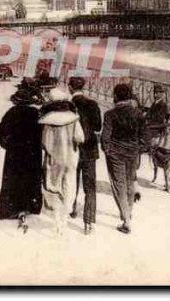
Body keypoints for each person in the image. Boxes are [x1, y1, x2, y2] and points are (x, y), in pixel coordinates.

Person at [0, 87, 44, 231]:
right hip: (32, 154)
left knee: (13, 180)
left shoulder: (11, 113)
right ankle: (30, 206)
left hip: (15, 154)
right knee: (30, 179)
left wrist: (9, 146)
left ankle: (11, 209)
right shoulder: (37, 114)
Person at [39, 88, 84, 235]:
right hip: (70, 158)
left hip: (54, 159)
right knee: (69, 186)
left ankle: (57, 220)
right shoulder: (73, 118)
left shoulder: (48, 120)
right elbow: (80, 138)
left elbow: (45, 143)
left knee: (53, 187)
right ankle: (65, 218)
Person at [102, 83, 145, 235]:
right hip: (132, 152)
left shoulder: (110, 114)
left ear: (115, 96)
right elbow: (144, 136)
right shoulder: (138, 114)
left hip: (116, 153)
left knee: (118, 184)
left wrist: (108, 152)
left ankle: (126, 219)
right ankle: (129, 212)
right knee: (130, 182)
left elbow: (105, 137)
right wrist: (137, 147)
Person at [68, 76, 102, 235]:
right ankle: (88, 222)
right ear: (83, 88)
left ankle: (72, 209)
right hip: (89, 150)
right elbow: (97, 126)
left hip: (73, 149)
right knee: (90, 186)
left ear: (70, 88)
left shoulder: (68, 105)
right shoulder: (93, 104)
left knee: (71, 181)